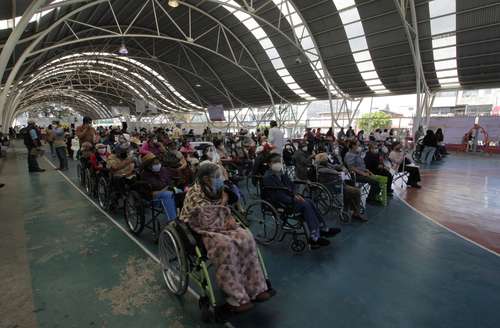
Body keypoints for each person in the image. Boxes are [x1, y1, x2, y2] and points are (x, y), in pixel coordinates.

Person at [180, 162, 273, 312]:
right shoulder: (194, 192)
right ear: (205, 179)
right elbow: (205, 219)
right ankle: (237, 298)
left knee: (246, 237)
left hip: (221, 223)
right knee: (225, 245)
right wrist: (223, 204)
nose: (220, 179)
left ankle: (256, 288)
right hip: (202, 228)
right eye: (216, 177)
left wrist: (225, 204)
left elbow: (229, 204)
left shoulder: (218, 188)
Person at [262, 154, 340, 248]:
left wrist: (296, 194)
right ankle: (314, 237)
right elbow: (277, 195)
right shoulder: (268, 177)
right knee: (305, 205)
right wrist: (292, 199)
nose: (278, 163)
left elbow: (291, 185)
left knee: (310, 201)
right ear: (269, 164)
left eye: (279, 161)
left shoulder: (281, 173)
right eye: (275, 162)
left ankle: (322, 228)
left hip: (290, 197)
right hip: (280, 203)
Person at [315, 153, 367, 221]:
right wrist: (343, 171)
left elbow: (334, 166)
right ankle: (355, 212)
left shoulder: (326, 165)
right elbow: (336, 172)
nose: (327, 159)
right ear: (323, 160)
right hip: (334, 187)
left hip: (336, 184)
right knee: (356, 191)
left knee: (351, 190)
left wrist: (341, 166)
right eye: (326, 158)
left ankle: (352, 209)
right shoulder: (322, 169)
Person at [140, 152, 177, 222]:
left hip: (167, 191)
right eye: (155, 164)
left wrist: (170, 187)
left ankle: (182, 217)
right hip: (154, 199)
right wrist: (166, 189)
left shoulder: (163, 170)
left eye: (158, 163)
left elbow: (170, 182)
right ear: (148, 165)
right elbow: (151, 194)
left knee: (180, 192)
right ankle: (173, 221)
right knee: (168, 195)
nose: (158, 165)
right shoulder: (145, 176)